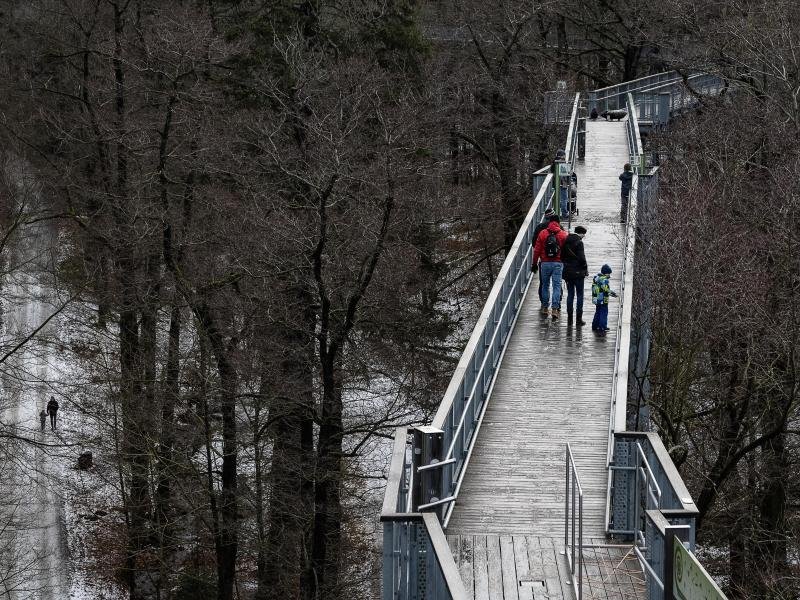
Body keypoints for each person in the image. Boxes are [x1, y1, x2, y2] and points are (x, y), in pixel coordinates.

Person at [532, 215, 568, 318]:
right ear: (558, 222)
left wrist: (534, 263)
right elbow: (566, 250)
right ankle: (555, 309)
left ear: (549, 222)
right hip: (558, 263)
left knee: (545, 285)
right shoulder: (562, 234)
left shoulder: (542, 233)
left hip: (545, 263)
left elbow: (537, 250)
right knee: (557, 286)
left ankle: (544, 307)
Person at [562, 225, 589, 325]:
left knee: (570, 295)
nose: (583, 237)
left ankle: (569, 319)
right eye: (584, 235)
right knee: (580, 295)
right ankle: (578, 319)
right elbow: (582, 258)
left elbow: (562, 256)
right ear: (581, 233)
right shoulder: (579, 242)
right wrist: (585, 268)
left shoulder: (566, 240)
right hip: (578, 273)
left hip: (568, 272)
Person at [533, 209, 558, 303]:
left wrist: (534, 263)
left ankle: (544, 304)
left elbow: (534, 245)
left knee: (544, 283)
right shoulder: (560, 229)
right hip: (557, 261)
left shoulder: (540, 228)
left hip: (544, 261)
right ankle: (556, 305)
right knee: (557, 284)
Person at [591, 264, 618, 336]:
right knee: (604, 312)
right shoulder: (604, 280)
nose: (609, 275)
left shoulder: (596, 278)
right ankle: (602, 327)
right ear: (606, 273)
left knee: (597, 312)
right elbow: (605, 289)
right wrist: (613, 293)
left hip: (597, 299)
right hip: (603, 300)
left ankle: (595, 325)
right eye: (609, 274)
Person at [550, 149, 570, 217]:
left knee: (556, 198)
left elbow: (552, 170)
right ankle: (564, 213)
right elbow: (567, 174)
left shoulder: (554, 163)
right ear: (562, 156)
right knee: (564, 199)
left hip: (555, 184)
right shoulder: (563, 163)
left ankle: (556, 212)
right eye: (564, 155)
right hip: (562, 183)